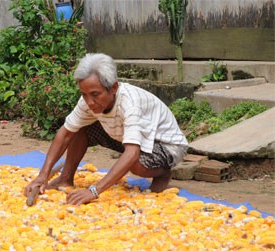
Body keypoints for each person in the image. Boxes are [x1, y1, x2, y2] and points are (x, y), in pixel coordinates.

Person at [24, 53, 188, 205]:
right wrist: (42, 175)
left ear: (114, 87)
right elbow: (65, 133)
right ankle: (65, 178)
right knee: (78, 129)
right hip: (127, 137)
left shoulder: (130, 104)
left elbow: (132, 152)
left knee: (135, 164)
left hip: (165, 145)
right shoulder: (88, 101)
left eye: (95, 94)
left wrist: (94, 191)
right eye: (84, 95)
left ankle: (162, 173)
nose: (89, 101)